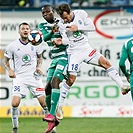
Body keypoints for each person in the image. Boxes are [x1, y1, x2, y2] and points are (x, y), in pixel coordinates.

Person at [53, 3, 130, 115]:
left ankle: (122, 86)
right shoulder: (61, 24)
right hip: (74, 52)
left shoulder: (81, 13)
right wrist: (60, 42)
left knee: (106, 63)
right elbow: (66, 41)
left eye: (66, 17)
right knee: (71, 80)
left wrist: (77, 28)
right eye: (62, 18)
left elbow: (92, 27)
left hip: (86, 49)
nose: (65, 20)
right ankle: (59, 105)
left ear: (70, 12)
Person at [4, 22, 48, 133]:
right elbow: (5, 61)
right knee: (15, 103)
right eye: (23, 28)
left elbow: (40, 58)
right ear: (19, 31)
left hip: (34, 77)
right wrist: (9, 70)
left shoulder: (36, 44)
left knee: (44, 104)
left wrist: (38, 67)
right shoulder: (12, 46)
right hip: (19, 78)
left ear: (30, 31)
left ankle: (52, 128)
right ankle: (15, 128)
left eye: (27, 28)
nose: (25, 30)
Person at [38, 5, 68, 133]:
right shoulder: (42, 26)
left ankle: (51, 114)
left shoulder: (61, 22)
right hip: (54, 58)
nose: (45, 15)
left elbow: (68, 37)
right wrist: (52, 31)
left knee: (55, 82)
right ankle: (53, 120)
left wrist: (59, 30)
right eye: (43, 13)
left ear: (53, 12)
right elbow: (44, 38)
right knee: (47, 88)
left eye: (47, 12)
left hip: (65, 57)